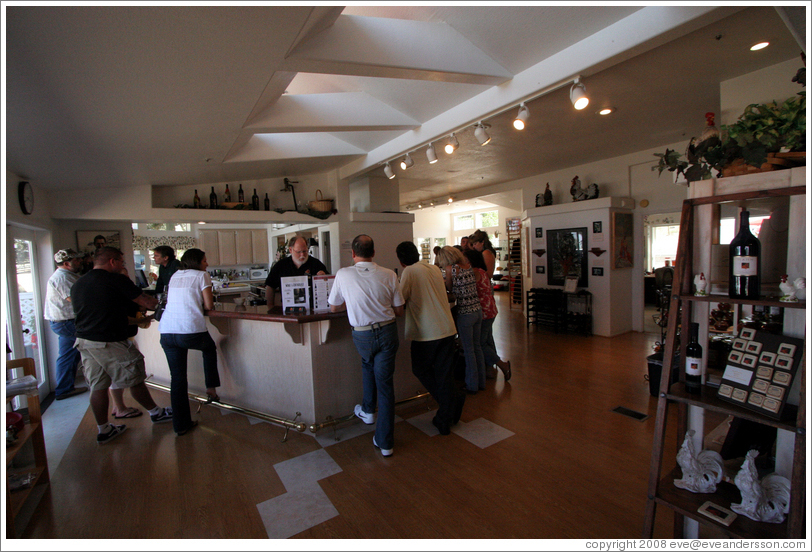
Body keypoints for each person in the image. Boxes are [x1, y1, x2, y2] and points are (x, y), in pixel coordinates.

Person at [71, 247, 173, 445]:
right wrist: (168, 303)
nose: (123, 266)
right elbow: (148, 302)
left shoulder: (79, 283)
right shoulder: (115, 279)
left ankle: (104, 429)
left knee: (98, 386)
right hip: (109, 341)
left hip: (85, 340)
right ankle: (156, 413)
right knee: (134, 377)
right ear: (112, 261)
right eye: (121, 262)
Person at [329, 235, 404, 457]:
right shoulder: (389, 274)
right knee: (385, 385)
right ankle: (385, 442)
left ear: (353, 254)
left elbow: (333, 308)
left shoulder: (343, 274)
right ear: (374, 252)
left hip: (362, 336)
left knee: (367, 362)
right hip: (388, 331)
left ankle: (369, 411)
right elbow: (399, 310)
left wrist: (352, 302)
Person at [397, 241, 464, 435]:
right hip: (447, 327)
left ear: (401, 261)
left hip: (427, 332)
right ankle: (446, 413)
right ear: (417, 254)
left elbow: (400, 301)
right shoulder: (433, 268)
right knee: (444, 374)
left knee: (420, 369)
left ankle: (451, 403)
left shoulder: (409, 272)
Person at [158, 248, 220, 436]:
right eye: (204, 261)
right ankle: (211, 388)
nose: (207, 264)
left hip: (167, 332)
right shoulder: (202, 275)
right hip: (189, 330)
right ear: (197, 263)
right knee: (209, 348)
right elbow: (209, 305)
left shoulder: (176, 274)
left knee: (177, 380)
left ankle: (181, 425)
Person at [436, 246, 485, 394]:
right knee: (477, 347)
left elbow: (450, 290)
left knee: (468, 350)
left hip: (465, 312)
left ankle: (471, 385)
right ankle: (481, 382)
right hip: (477, 310)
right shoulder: (468, 266)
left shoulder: (452, 269)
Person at [43, 248, 88, 400]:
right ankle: (63, 389)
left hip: (64, 322)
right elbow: (74, 300)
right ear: (67, 263)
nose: (80, 261)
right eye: (76, 260)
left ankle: (65, 388)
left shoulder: (68, 275)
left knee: (69, 355)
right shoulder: (63, 278)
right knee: (69, 356)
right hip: (66, 322)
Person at [465, 249, 512, 382]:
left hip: (483, 311)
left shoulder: (474, 272)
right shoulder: (482, 271)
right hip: (490, 309)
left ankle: (501, 365)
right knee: (485, 340)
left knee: (480, 343)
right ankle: (489, 368)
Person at [264, 236, 328, 306]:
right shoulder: (281, 265)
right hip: (288, 308)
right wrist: (270, 307)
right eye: (298, 252)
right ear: (291, 250)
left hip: (312, 308)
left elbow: (329, 284)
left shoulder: (316, 264)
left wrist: (323, 278)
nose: (302, 255)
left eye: (305, 251)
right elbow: (270, 286)